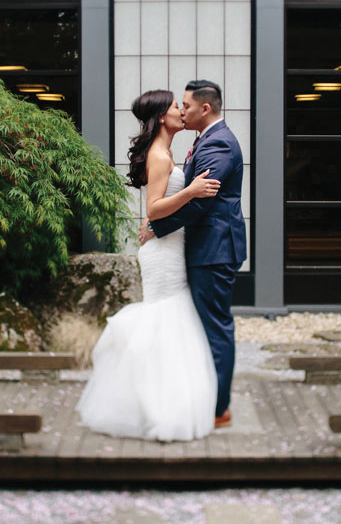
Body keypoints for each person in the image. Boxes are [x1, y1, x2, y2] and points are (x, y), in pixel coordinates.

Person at [75, 89, 223, 441]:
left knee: (170, 321)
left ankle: (159, 403)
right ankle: (159, 409)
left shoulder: (166, 152)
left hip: (169, 246)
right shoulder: (159, 155)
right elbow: (154, 209)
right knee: (166, 320)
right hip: (162, 253)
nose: (182, 112)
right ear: (161, 117)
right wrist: (191, 190)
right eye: (176, 107)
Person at [139, 80, 247, 429]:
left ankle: (218, 409)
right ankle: (192, 398)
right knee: (187, 325)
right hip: (197, 248)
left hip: (213, 249)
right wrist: (157, 222)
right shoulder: (200, 141)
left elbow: (201, 200)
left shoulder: (219, 144)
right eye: (176, 105)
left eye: (185, 105)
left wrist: (157, 227)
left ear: (205, 108)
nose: (181, 110)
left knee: (214, 327)